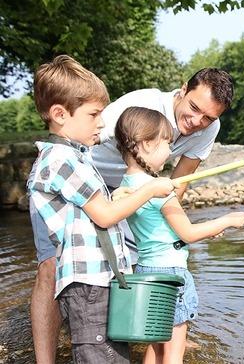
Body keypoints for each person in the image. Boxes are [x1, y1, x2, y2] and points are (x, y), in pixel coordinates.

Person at [30, 68, 235, 362]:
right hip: (90, 179)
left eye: (208, 118)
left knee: (126, 262)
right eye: (194, 109)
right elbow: (79, 140)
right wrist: (146, 192)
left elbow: (181, 179)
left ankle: (144, 329)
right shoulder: (136, 107)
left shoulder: (207, 128)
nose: (197, 122)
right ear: (182, 90)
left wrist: (165, 223)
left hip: (128, 191)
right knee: (52, 267)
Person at [26, 55, 176, 363]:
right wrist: (149, 189)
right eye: (94, 114)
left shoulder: (77, 158)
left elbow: (94, 211)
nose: (102, 122)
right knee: (99, 355)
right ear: (60, 114)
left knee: (112, 354)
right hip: (87, 284)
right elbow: (104, 216)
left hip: (98, 281)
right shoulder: (61, 161)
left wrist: (120, 196)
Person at [114, 106, 244, 363]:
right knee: (175, 348)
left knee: (155, 345)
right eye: (166, 142)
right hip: (172, 274)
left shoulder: (125, 188)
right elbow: (188, 233)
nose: (170, 149)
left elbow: (168, 233)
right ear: (145, 144)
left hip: (145, 271)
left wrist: (210, 230)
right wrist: (227, 220)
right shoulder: (160, 191)